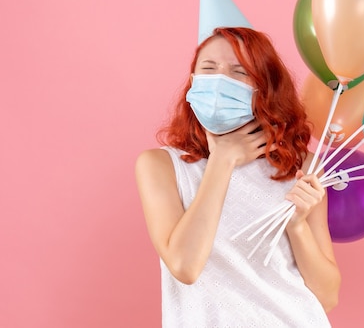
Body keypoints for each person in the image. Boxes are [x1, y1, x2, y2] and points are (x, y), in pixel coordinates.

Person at [135, 27, 340, 327]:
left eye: (238, 71)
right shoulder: (160, 165)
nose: (220, 80)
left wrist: (297, 225)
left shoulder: (303, 166)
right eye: (209, 68)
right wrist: (223, 159)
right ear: (192, 83)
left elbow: (327, 297)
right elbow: (185, 266)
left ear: (263, 87)